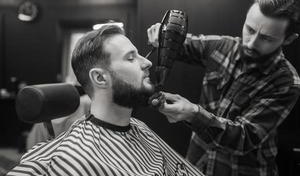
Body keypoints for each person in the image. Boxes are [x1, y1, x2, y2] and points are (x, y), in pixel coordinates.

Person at [7, 25, 204, 176]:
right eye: (130, 58)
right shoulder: (65, 158)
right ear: (100, 78)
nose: (148, 62)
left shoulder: (140, 128)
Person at [147, 0, 300, 176]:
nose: (251, 43)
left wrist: (194, 114)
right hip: (196, 165)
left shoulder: (286, 82)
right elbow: (181, 43)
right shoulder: (222, 47)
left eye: (266, 38)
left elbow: (244, 138)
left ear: (289, 39)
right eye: (250, 30)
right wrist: (164, 35)